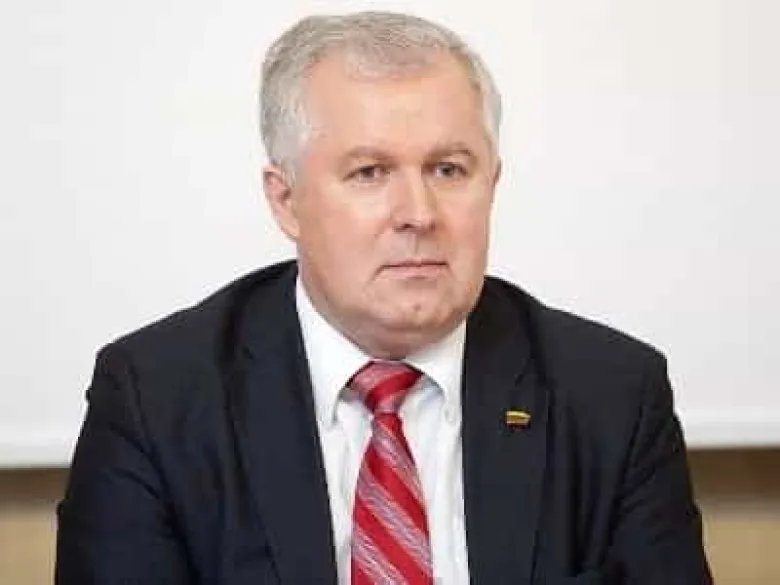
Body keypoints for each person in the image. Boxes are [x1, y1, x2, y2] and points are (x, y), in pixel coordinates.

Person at [55, 11, 712, 585]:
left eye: (448, 170)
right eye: (370, 172)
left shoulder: (611, 395)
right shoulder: (156, 398)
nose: (419, 213)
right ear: (286, 200)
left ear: (492, 183)